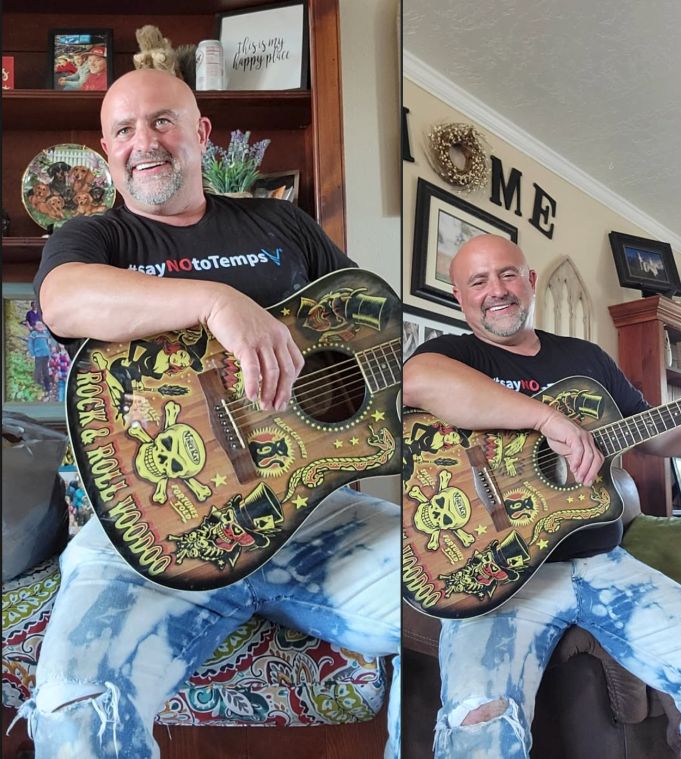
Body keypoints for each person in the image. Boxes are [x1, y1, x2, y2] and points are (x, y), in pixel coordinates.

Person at [16, 68, 399, 758]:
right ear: (108, 152)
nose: (145, 142)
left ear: (201, 134)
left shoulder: (281, 223)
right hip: (149, 539)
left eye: (162, 121)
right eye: (124, 130)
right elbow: (63, 301)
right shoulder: (92, 237)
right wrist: (216, 300)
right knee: (74, 709)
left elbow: (371, 328)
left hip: (316, 521)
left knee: (477, 585)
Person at [402, 233, 681, 759]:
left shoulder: (585, 359)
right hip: (498, 578)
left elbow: (658, 437)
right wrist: (547, 419)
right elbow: (416, 380)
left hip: (605, 564)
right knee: (478, 720)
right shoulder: (448, 354)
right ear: (459, 296)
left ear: (531, 282)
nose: (497, 290)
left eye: (508, 274)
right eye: (479, 280)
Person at [27, 320, 54, 398]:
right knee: (38, 372)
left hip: (46, 355)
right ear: (35, 326)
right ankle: (38, 387)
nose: (40, 326)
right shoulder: (33, 334)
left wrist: (50, 354)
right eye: (38, 325)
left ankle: (48, 388)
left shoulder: (45, 334)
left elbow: (49, 343)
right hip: (38, 356)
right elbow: (30, 344)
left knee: (46, 372)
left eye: (41, 325)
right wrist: (32, 354)